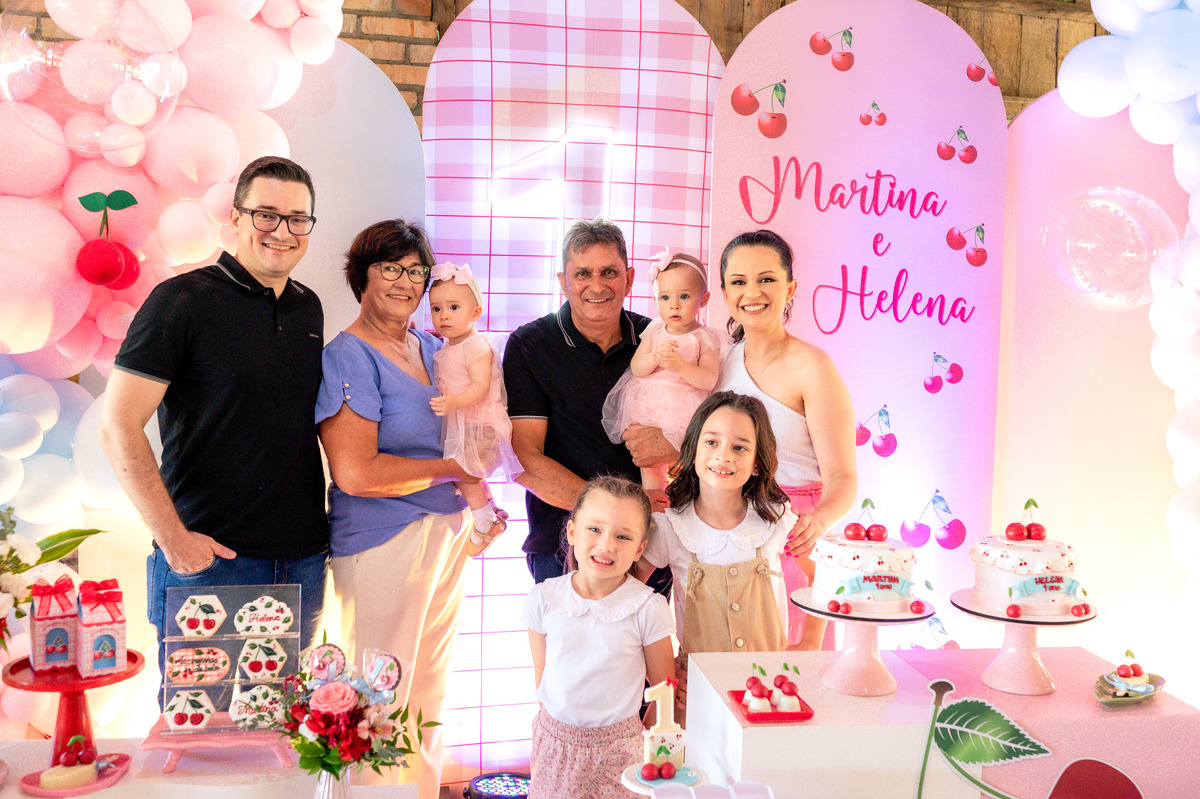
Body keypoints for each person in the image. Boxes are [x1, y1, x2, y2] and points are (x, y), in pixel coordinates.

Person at [100, 156, 329, 680]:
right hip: (211, 564)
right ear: (236, 217)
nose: (283, 231)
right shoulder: (182, 300)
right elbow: (117, 426)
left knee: (284, 721)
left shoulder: (307, 308)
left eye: (298, 219)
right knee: (204, 725)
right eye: (267, 214)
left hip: (302, 563)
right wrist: (174, 540)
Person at [315, 219, 476, 799]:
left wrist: (477, 497)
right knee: (376, 705)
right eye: (391, 268)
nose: (406, 282)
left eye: (415, 271)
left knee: (427, 697)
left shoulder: (434, 346)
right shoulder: (348, 356)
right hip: (382, 540)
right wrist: (455, 471)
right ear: (361, 276)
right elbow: (356, 473)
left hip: (447, 532)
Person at [504, 218, 671, 588]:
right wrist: (617, 513)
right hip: (562, 546)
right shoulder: (530, 345)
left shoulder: (659, 339)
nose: (597, 286)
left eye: (609, 272)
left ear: (629, 279)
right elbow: (524, 458)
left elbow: (703, 431)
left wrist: (675, 444)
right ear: (564, 282)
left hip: (649, 545)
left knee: (651, 630)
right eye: (582, 274)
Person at [716, 229, 857, 650]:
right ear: (724, 293)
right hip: (730, 534)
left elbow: (843, 478)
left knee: (792, 669)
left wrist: (817, 523)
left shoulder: (813, 366)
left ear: (790, 288)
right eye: (738, 281)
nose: (752, 292)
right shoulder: (719, 362)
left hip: (794, 540)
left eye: (767, 279)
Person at [638, 392, 801, 711]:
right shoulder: (670, 527)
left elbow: (820, 573)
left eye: (739, 447)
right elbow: (626, 599)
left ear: (757, 463)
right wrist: (660, 671)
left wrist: (808, 645)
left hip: (768, 694)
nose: (723, 456)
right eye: (712, 442)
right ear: (693, 451)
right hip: (697, 695)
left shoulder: (776, 519)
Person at [523, 476, 675, 799]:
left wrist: (641, 743)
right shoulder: (543, 599)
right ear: (572, 531)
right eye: (594, 529)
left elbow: (664, 691)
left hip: (622, 752)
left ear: (640, 548)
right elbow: (543, 682)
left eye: (623, 536)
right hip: (554, 748)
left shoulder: (648, 607)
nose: (607, 545)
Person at [601, 249, 721, 492]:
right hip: (649, 404)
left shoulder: (705, 337)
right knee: (649, 463)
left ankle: (683, 501)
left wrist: (681, 366)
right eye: (665, 297)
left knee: (685, 467)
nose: (674, 305)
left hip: (685, 408)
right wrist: (654, 356)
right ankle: (655, 500)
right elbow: (637, 368)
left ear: (704, 299)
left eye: (684, 296)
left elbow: (709, 379)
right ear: (656, 300)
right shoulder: (655, 329)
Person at [426, 261, 520, 556]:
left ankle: (484, 521)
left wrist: (454, 401)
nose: (444, 315)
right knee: (469, 473)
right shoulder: (448, 346)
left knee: (462, 472)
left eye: (454, 307)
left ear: (475, 313)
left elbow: (480, 386)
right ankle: (491, 509)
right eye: (437, 308)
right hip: (468, 423)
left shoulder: (475, 346)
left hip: (483, 424)